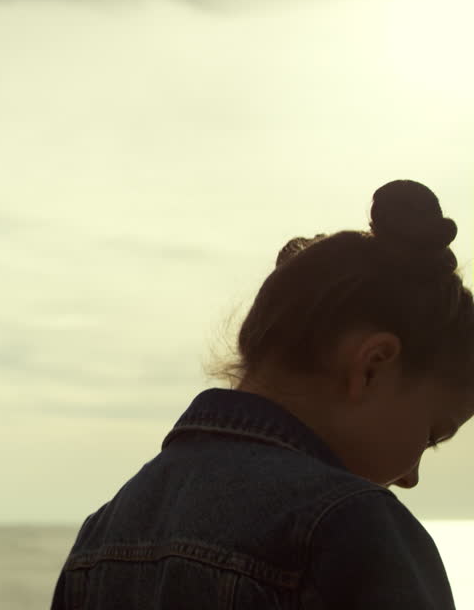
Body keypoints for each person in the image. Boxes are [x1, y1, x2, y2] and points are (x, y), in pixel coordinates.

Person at [51, 179, 474, 609]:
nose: (411, 477)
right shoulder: (350, 527)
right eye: (431, 435)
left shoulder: (101, 534)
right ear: (372, 367)